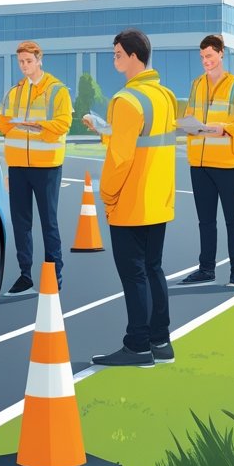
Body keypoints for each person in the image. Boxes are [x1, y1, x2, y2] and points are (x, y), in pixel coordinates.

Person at [84, 28, 178, 367]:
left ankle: (137, 345)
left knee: (133, 273)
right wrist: (105, 132)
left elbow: (121, 158)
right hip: (158, 199)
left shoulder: (125, 100)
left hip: (130, 201)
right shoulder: (165, 96)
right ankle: (160, 342)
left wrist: (107, 194)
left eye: (117, 54)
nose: (115, 59)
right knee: (153, 269)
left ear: (133, 56)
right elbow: (144, 144)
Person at [179, 34, 234, 288]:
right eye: (202, 57)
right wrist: (186, 125)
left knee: (231, 219)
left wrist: (223, 128)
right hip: (199, 163)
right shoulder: (196, 84)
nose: (206, 61)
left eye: (210, 56)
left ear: (221, 53)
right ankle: (206, 269)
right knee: (205, 221)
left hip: (226, 163)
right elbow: (191, 115)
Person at [0, 41, 72, 294]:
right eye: (21, 62)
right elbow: (2, 123)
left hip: (46, 165)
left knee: (49, 222)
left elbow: (63, 123)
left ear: (40, 60)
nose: (24, 66)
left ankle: (54, 273)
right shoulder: (14, 91)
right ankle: (25, 275)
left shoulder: (57, 90)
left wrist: (40, 127)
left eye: (28, 61)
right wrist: (15, 124)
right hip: (18, 165)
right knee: (20, 222)